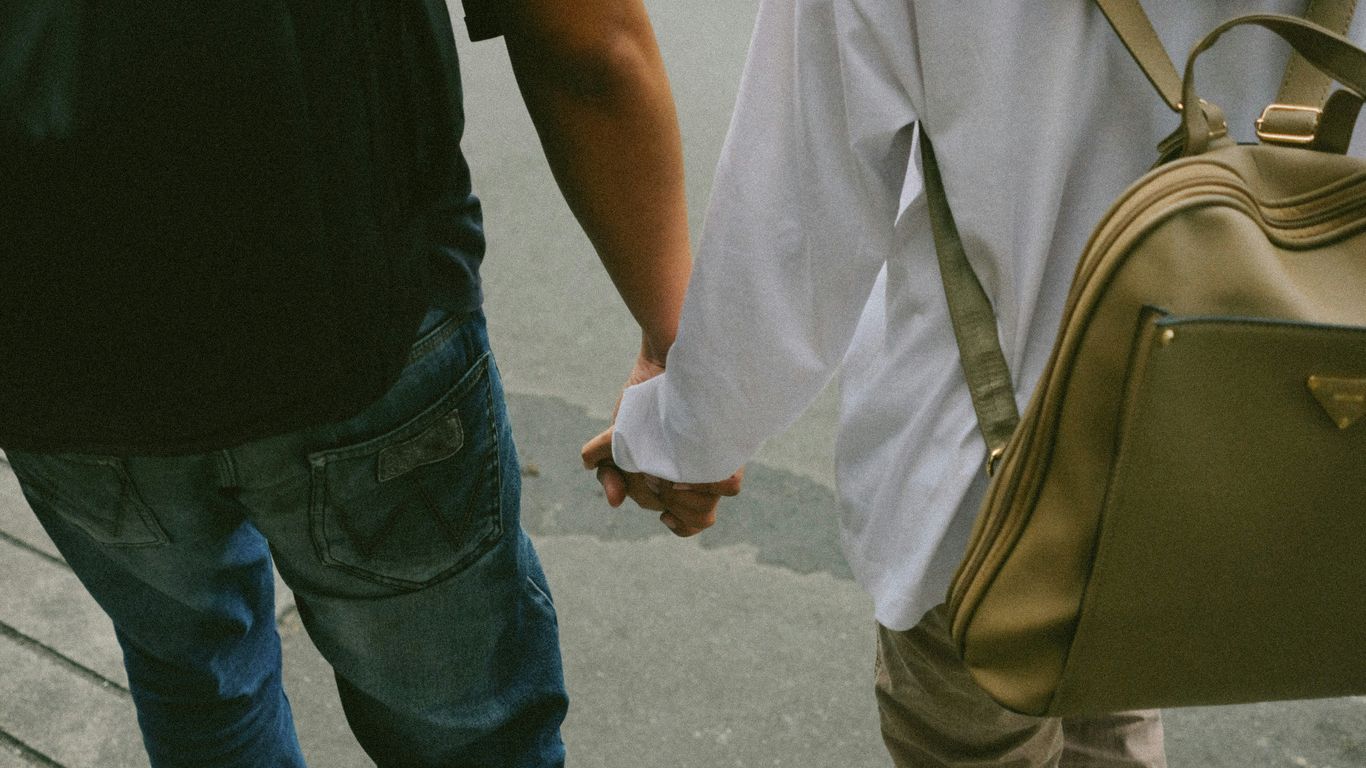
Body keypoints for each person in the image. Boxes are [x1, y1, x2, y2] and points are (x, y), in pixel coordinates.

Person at [583, 1, 1364, 765]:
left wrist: (684, 433)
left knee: (979, 724)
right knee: (1116, 663)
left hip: (983, 484)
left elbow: (798, 216)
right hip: (1211, 449)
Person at [0, 1, 729, 765]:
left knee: (199, 684)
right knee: (468, 733)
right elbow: (587, 46)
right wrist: (681, 358)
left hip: (51, 354)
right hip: (359, 328)